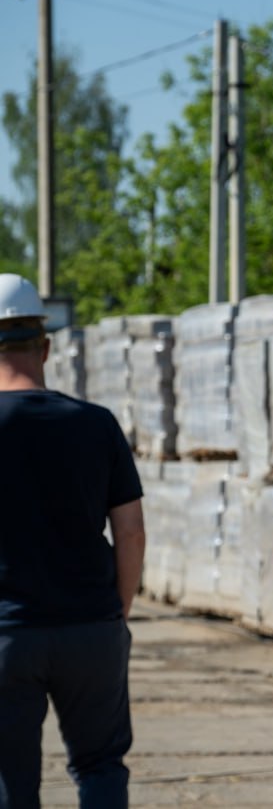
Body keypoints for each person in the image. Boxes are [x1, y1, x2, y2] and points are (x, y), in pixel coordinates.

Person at [0, 273, 147, 808]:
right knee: (100, 766)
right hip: (90, 627)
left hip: (7, 634)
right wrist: (118, 610)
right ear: (45, 346)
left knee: (9, 780)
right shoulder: (96, 423)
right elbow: (130, 530)